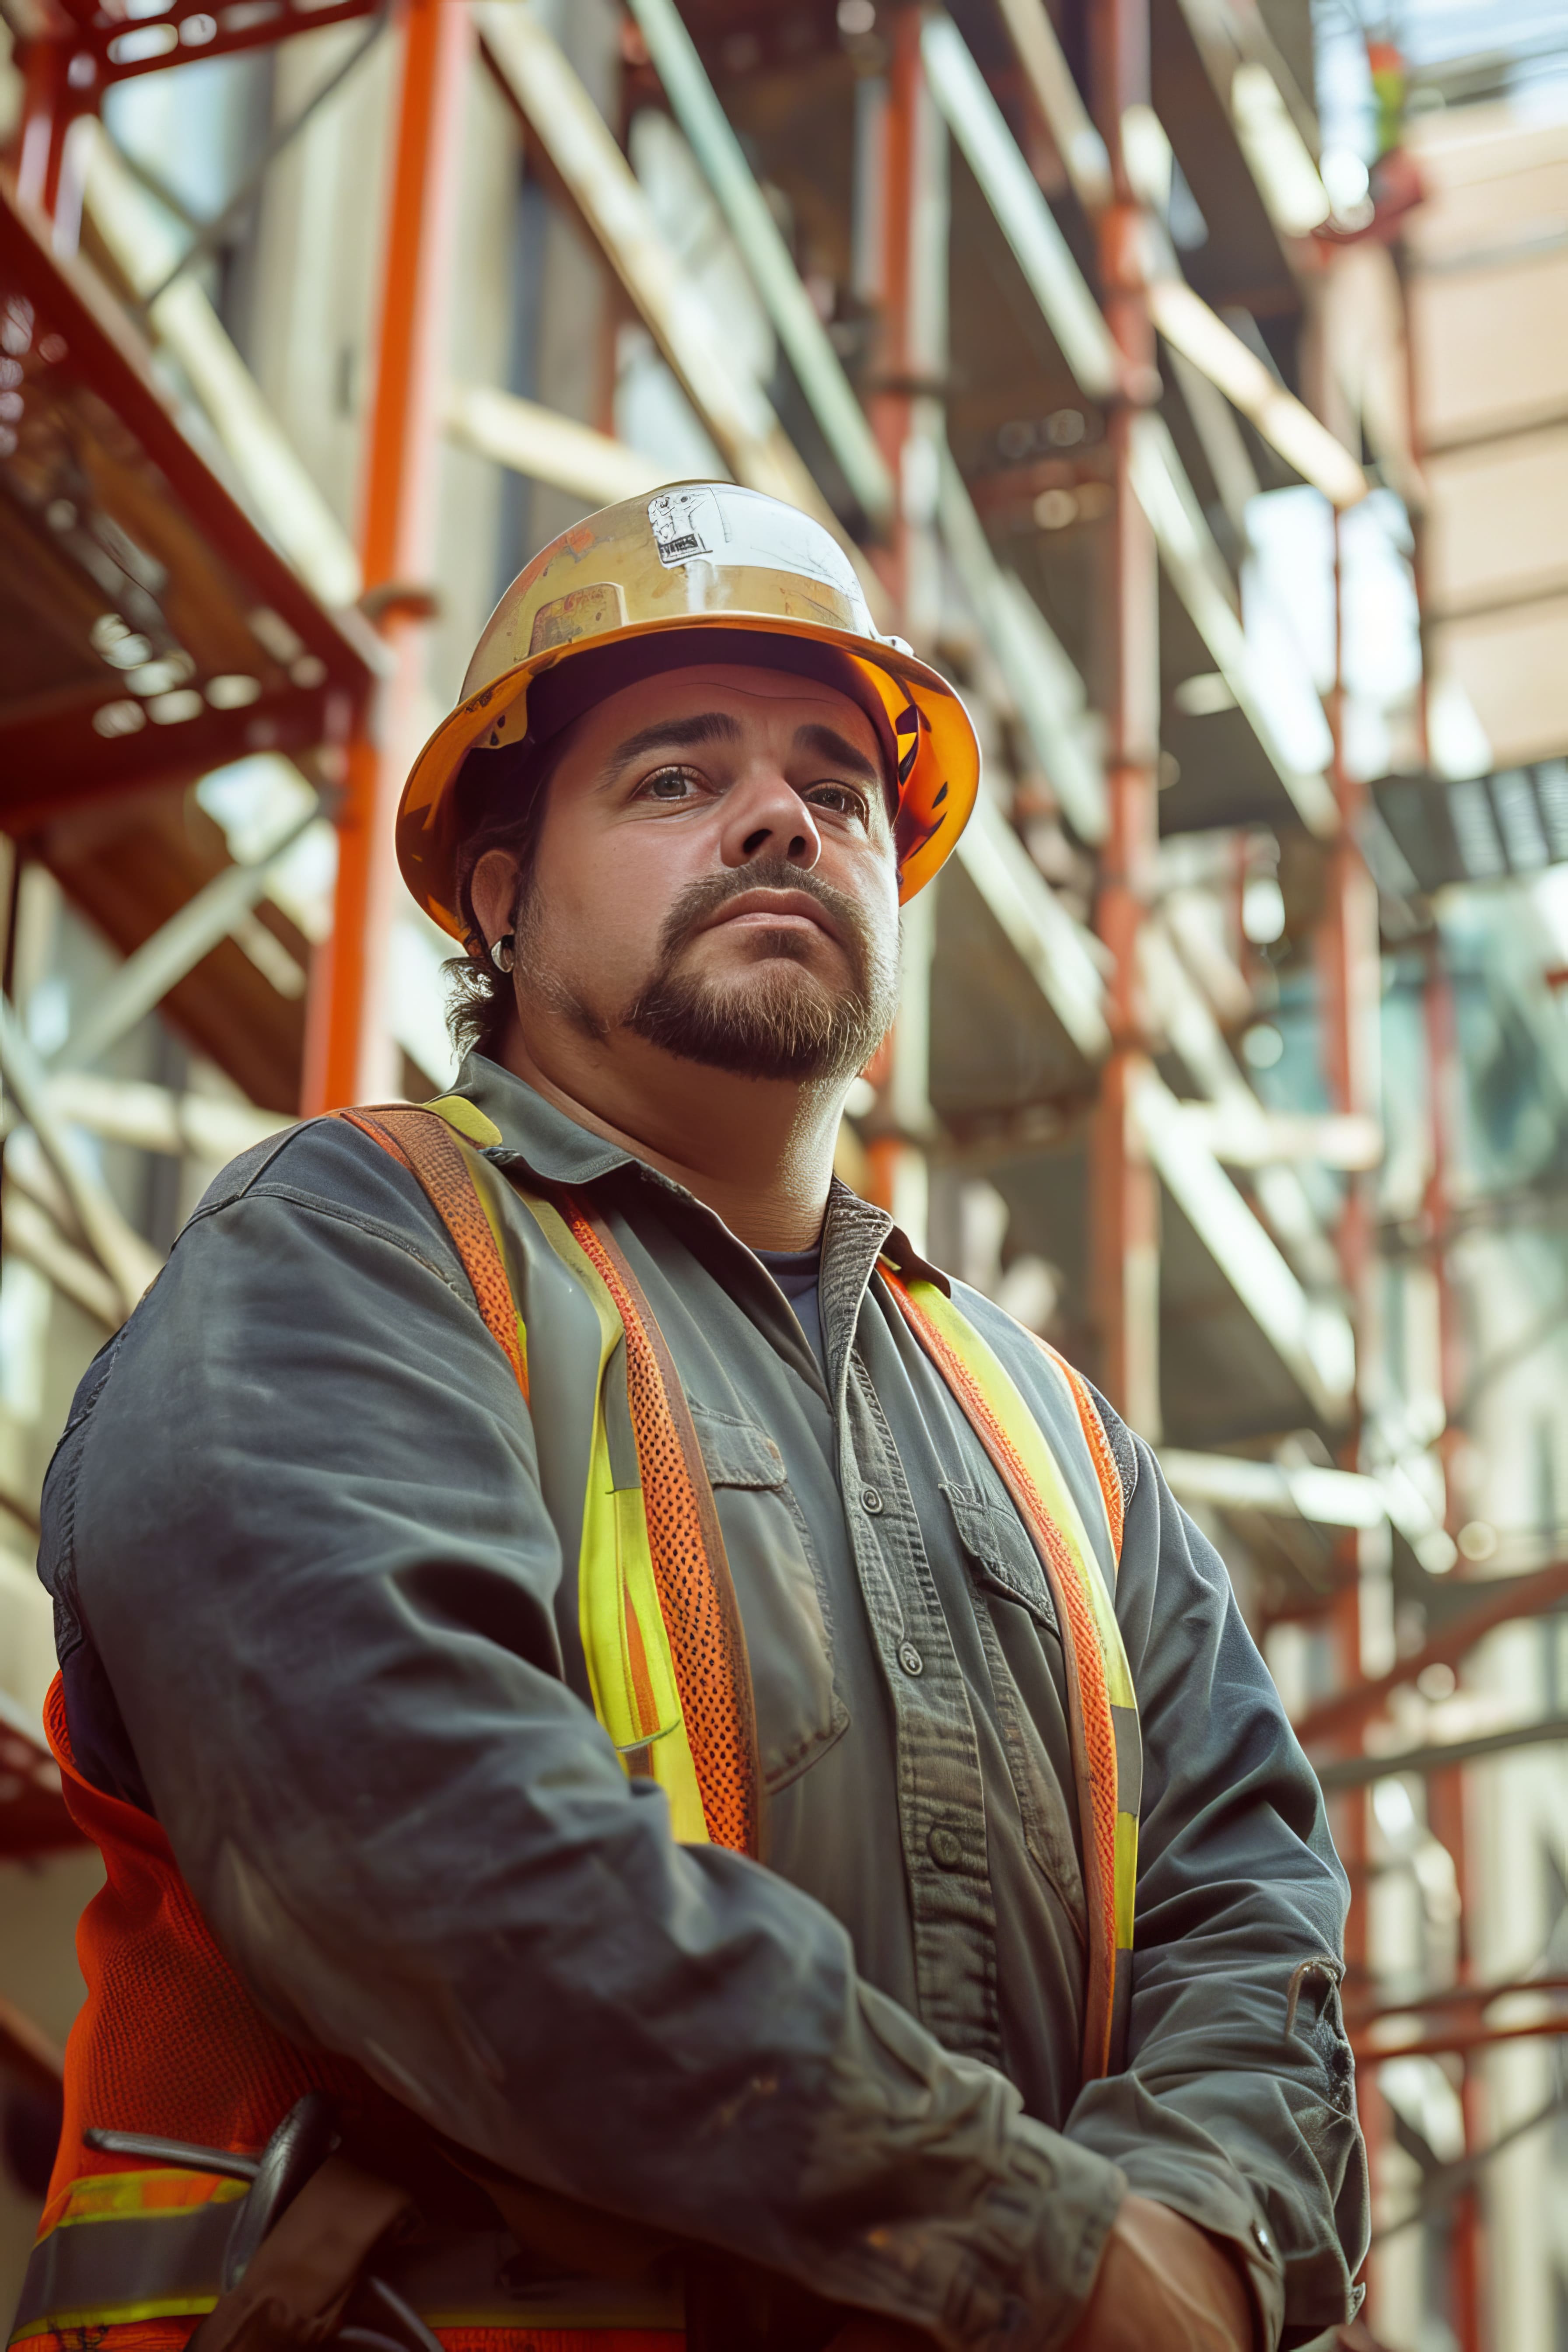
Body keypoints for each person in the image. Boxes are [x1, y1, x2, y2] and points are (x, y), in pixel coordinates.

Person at [14, 484, 1368, 2352]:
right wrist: (1042, 2255)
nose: (777, 817)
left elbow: (1254, 1931)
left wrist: (1197, 2251)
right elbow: (417, 1834)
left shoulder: (1059, 1441)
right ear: (501, 893)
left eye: (836, 784)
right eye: (672, 778)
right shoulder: (352, 1252)